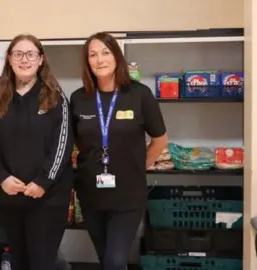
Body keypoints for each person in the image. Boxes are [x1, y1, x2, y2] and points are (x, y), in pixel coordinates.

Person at [70, 32, 168, 270]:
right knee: (106, 259)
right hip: (91, 194)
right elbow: (75, 142)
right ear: (87, 61)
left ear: (117, 57)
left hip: (128, 194)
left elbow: (159, 138)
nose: (99, 59)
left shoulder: (139, 94)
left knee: (114, 260)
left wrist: (139, 166)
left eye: (105, 52)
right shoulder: (78, 98)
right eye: (92, 55)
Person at [0, 34, 74, 270]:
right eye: (18, 54)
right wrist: (1, 178)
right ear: (9, 59)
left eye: (31, 54)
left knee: (42, 262)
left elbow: (62, 144)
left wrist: (43, 181)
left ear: (40, 60)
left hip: (47, 198)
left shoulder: (55, 96)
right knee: (18, 260)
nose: (24, 59)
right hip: (9, 196)